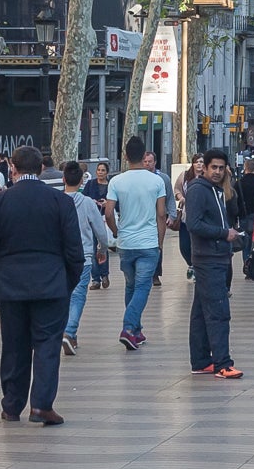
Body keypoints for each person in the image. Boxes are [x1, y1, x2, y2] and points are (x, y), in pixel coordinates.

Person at [0, 146, 84, 421]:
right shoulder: (61, 202)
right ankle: (41, 405)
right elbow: (75, 252)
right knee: (48, 345)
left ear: (12, 168)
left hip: (10, 287)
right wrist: (67, 282)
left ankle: (11, 405)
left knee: (14, 346)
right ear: (41, 169)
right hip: (51, 286)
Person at [106, 137, 171, 352]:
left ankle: (136, 330)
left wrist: (117, 232)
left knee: (131, 286)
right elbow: (161, 214)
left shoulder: (116, 181)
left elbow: (108, 212)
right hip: (148, 242)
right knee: (143, 287)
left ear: (125, 157)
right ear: (145, 157)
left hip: (126, 243)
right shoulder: (156, 181)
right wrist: (159, 241)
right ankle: (127, 328)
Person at [182, 147, 240, 377]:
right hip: (208, 258)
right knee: (218, 310)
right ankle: (223, 363)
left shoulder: (216, 190)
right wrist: (223, 233)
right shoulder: (198, 190)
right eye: (213, 167)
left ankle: (200, 360)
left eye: (221, 168)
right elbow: (194, 224)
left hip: (217, 255)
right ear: (204, 168)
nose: (217, 172)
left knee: (200, 311)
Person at [60, 162, 112, 351]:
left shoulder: (56, 201)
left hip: (60, 258)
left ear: (64, 179)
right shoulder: (88, 203)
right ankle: (69, 331)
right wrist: (102, 250)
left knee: (64, 295)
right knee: (79, 295)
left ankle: (68, 332)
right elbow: (101, 232)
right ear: (82, 180)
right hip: (83, 256)